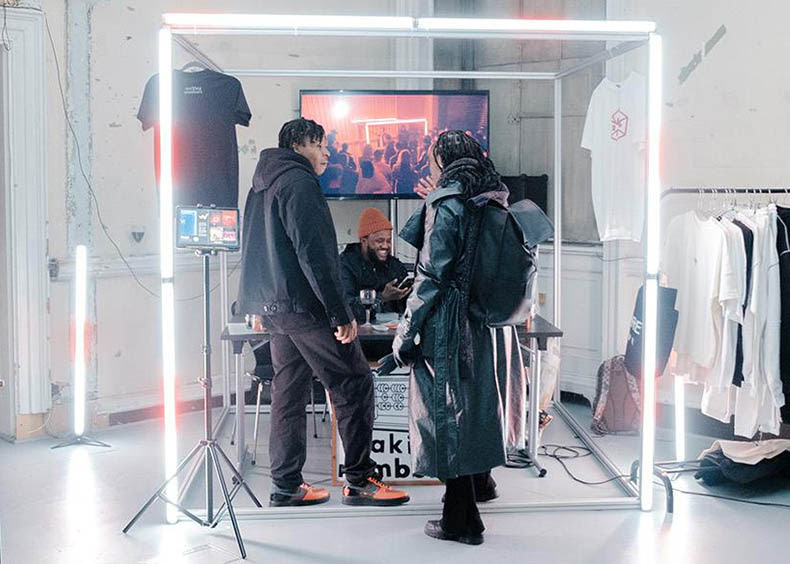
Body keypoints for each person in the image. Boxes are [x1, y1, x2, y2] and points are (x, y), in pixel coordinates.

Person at [238, 118, 409, 508]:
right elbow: (314, 255)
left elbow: (251, 250)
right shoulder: (298, 182)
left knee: (290, 390)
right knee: (354, 383)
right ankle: (361, 480)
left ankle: (286, 485)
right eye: (321, 145)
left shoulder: (262, 183)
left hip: (277, 309)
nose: (328, 153)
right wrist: (340, 312)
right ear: (300, 143)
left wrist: (253, 304)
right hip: (306, 307)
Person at [394, 131, 509, 545]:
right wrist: (433, 200)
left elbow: (430, 275)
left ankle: (461, 519)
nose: (428, 169)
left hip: (446, 323)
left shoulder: (449, 203)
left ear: (442, 159)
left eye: (431, 162)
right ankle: (480, 485)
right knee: (473, 406)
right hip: (479, 322)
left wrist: (406, 331)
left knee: (443, 415)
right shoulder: (491, 195)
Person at [340, 207, 410, 326]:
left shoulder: (394, 265)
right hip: (359, 336)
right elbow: (345, 308)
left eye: (388, 241)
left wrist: (407, 292)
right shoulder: (345, 264)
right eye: (379, 241)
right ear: (364, 241)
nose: (385, 246)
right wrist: (381, 298)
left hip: (392, 334)